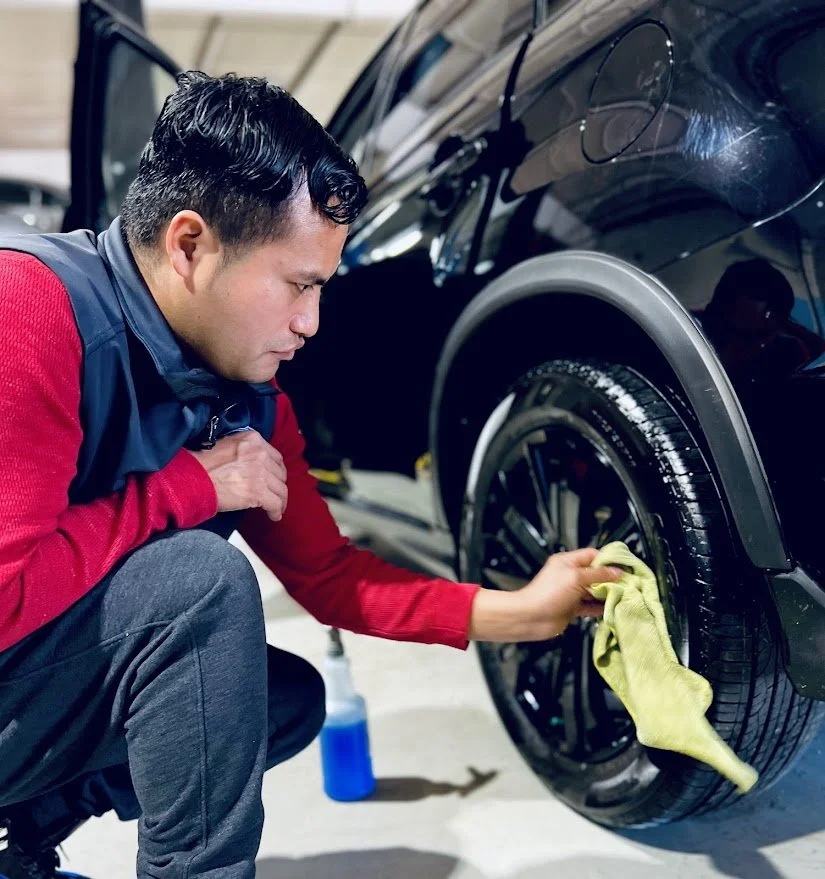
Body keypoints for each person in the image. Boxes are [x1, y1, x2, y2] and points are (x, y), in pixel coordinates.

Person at [0, 72, 620, 879]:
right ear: (190, 245)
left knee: (273, 700)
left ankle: (20, 846)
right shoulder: (30, 309)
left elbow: (329, 577)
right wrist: (187, 488)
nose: (310, 322)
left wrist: (520, 611)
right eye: (298, 284)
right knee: (198, 582)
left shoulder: (248, 407)